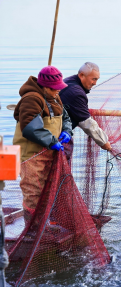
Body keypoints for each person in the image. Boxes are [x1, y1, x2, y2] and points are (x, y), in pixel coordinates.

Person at [12, 66, 73, 223]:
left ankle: (45, 224)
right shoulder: (31, 99)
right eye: (54, 89)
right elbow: (31, 128)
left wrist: (66, 130)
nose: (58, 91)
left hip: (47, 153)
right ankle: (32, 229)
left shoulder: (54, 97)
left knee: (48, 190)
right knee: (33, 192)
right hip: (31, 155)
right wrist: (52, 141)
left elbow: (65, 117)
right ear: (44, 86)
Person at [59, 62, 112, 151]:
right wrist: (104, 142)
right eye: (93, 79)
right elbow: (87, 123)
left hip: (59, 130)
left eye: (97, 79)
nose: (95, 83)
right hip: (57, 135)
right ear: (82, 75)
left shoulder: (69, 80)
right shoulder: (76, 93)